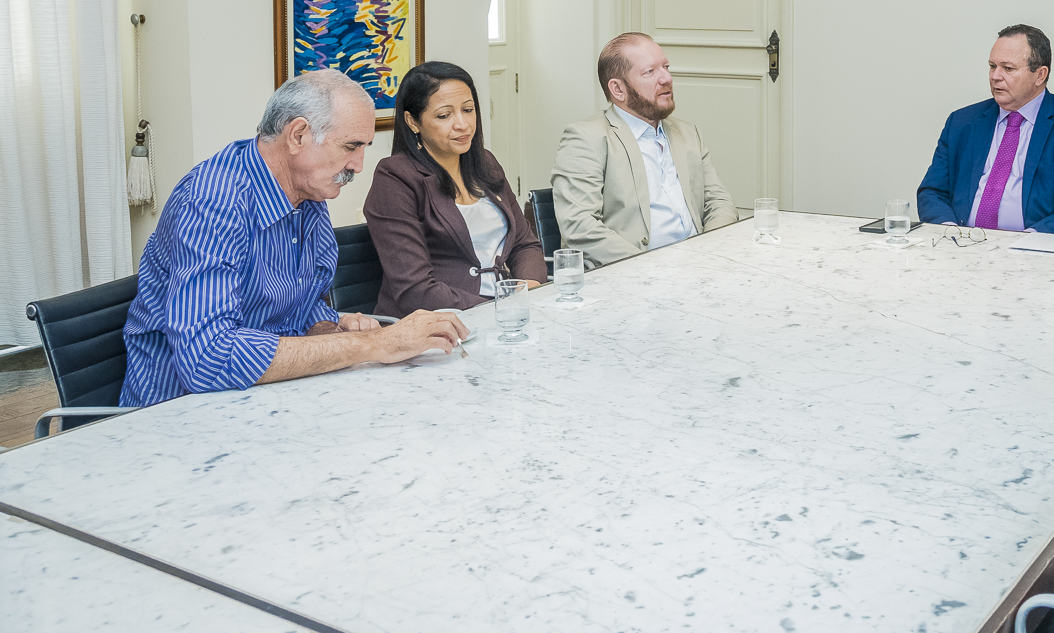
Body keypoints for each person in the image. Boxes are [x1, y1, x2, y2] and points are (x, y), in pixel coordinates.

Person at [120, 71, 468, 407]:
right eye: (351, 146)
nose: (359, 165)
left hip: (267, 398)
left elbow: (300, 308)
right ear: (298, 135)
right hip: (176, 413)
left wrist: (330, 326)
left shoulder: (308, 192)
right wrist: (372, 344)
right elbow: (208, 359)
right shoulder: (213, 201)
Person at [364, 62, 546, 317]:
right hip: (440, 326)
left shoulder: (486, 163)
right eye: (444, 115)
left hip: (507, 314)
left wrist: (530, 289)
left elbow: (525, 245)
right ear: (413, 121)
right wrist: (498, 307)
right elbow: (415, 290)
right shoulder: (395, 177)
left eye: (468, 110)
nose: (463, 124)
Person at [551, 32, 738, 267]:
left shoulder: (688, 133)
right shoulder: (587, 138)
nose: (666, 78)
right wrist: (650, 266)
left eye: (666, 67)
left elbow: (719, 202)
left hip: (698, 268)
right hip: (628, 276)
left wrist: (709, 252)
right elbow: (580, 225)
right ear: (618, 89)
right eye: (650, 72)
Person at [917, 24, 1054, 235]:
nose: (995, 76)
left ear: (1040, 75)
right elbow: (932, 192)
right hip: (961, 246)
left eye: (1008, 69)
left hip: (1033, 254)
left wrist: (1028, 241)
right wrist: (950, 232)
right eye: (992, 66)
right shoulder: (962, 122)